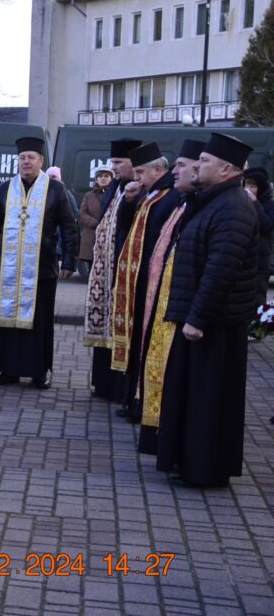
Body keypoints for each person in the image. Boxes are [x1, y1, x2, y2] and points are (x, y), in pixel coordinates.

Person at [157, 132, 258, 487]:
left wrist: (197, 318)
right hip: (201, 317)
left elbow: (222, 268)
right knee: (194, 395)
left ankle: (204, 470)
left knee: (208, 399)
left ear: (227, 168)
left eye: (205, 161)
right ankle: (190, 463)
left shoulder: (233, 207)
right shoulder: (214, 201)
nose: (197, 166)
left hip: (214, 323)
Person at [0, 136, 77, 389]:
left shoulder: (55, 189)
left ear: (41, 161)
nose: (26, 162)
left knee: (39, 322)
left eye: (31, 158)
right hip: (12, 268)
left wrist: (69, 259)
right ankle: (8, 369)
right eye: (22, 158)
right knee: (7, 319)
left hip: (42, 270)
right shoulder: (6, 189)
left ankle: (39, 371)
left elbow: (69, 226)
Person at [136, 139, 204, 455]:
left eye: (181, 165)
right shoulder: (183, 201)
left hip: (186, 312)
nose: (174, 170)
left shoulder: (194, 203)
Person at [109, 142, 181, 422]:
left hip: (151, 282)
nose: (136, 177)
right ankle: (131, 399)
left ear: (158, 169)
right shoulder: (147, 193)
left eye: (141, 171)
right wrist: (128, 201)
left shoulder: (169, 197)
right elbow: (127, 226)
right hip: (137, 279)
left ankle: (140, 402)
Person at [84, 138, 141, 400]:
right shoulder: (115, 188)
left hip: (125, 273)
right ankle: (104, 384)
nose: (114, 168)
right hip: (105, 274)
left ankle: (119, 387)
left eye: (119, 162)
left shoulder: (138, 190)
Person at [242, 167, 274, 306]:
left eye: (253, 185)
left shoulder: (269, 205)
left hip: (260, 263)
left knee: (256, 300)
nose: (248, 188)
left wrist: (255, 202)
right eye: (246, 184)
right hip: (243, 259)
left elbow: (266, 225)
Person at [77, 165, 113, 273]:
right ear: (96, 179)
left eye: (106, 176)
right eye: (100, 176)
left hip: (109, 235)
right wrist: (96, 223)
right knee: (92, 269)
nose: (103, 178)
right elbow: (82, 214)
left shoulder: (115, 194)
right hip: (91, 236)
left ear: (111, 178)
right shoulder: (89, 195)